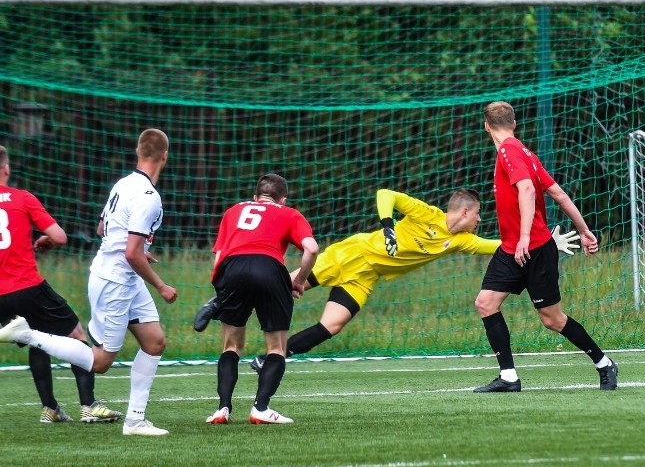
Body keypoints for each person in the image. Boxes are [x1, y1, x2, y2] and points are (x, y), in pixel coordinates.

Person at [193, 188, 581, 370]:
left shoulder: (459, 240)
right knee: (282, 287)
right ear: (463, 211)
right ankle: (221, 301)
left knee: (333, 324)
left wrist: (542, 243)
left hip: (368, 275)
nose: (480, 220)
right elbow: (385, 194)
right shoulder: (426, 213)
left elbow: (497, 245)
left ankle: (268, 360)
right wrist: (387, 226)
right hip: (353, 253)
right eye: (477, 214)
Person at [0, 129, 177, 436]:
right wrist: (161, 285)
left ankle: (135, 421)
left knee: (154, 342)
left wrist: (136, 252)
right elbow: (131, 252)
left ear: (138, 151)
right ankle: (28, 335)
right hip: (115, 280)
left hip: (122, 274)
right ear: (165, 155)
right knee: (100, 362)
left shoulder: (124, 184)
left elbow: (102, 229)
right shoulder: (149, 196)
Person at [473, 101, 617, 393]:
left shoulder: (510, 151)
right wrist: (584, 230)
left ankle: (604, 364)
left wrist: (525, 235)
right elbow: (559, 194)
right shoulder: (524, 152)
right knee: (485, 303)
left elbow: (527, 189)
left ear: (486, 126)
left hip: (534, 249)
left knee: (552, 319)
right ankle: (509, 378)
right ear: (514, 123)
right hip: (512, 250)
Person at [0, 145, 122, 424]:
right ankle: (89, 406)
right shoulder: (22, 198)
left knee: (36, 338)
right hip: (27, 287)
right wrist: (47, 240)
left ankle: (50, 408)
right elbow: (60, 236)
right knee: (75, 335)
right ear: (6, 168)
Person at [204, 173, 319, 425]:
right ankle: (261, 408)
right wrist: (299, 281)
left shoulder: (233, 211)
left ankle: (222, 409)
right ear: (283, 200)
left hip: (231, 269)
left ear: (256, 197)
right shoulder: (289, 213)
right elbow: (311, 248)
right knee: (276, 347)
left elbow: (218, 257)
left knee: (231, 346)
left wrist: (220, 295)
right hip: (270, 269)